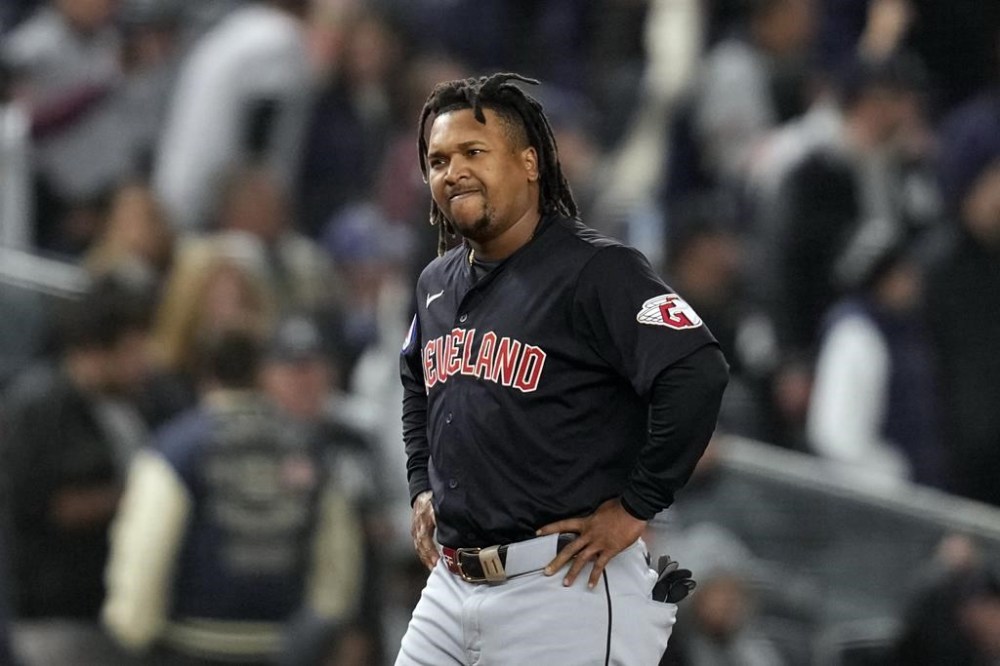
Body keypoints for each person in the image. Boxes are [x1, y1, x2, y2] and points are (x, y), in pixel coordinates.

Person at [397, 73, 729, 665]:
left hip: (562, 587)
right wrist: (423, 485)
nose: (453, 171)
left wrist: (636, 507)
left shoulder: (598, 271)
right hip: (450, 587)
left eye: (474, 152)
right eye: (438, 159)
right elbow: (416, 383)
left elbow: (696, 370)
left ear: (529, 163)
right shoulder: (435, 282)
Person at [102, 328, 363, 665]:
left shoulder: (176, 449)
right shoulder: (307, 449)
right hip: (279, 644)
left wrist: (132, 628)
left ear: (204, 375)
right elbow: (338, 563)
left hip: (189, 643)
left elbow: (147, 547)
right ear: (262, 374)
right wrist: (320, 625)